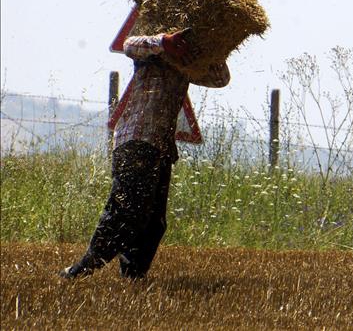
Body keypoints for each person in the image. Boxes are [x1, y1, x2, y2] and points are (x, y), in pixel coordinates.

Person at [60, 27, 229, 279]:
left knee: (154, 223)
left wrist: (212, 49)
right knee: (127, 213)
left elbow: (220, 79)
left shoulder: (186, 61)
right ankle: (79, 270)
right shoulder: (150, 50)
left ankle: (133, 278)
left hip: (160, 148)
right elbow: (130, 44)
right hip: (136, 140)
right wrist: (164, 42)